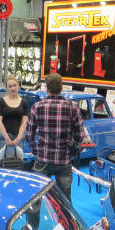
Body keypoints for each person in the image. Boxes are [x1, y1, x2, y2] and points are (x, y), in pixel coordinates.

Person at [25, 73, 84, 203]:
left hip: (43, 159)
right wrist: (71, 152)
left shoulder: (37, 107)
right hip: (64, 160)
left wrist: (36, 151)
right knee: (65, 199)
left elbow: (29, 134)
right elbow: (80, 136)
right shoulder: (73, 107)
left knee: (36, 198)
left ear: (46, 88)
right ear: (62, 87)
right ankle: (64, 217)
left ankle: (35, 217)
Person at [0, 75, 28, 165]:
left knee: (16, 164)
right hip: (3, 138)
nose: (13, 88)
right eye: (10, 86)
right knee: (2, 164)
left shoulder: (24, 102)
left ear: (18, 86)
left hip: (18, 138)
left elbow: (24, 122)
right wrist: (6, 138)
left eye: (14, 85)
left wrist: (18, 138)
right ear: (6, 88)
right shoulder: (1, 102)